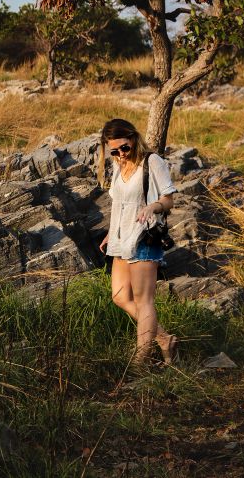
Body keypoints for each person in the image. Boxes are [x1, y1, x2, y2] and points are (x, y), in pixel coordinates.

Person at [97, 118, 178, 364]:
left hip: (144, 236)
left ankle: (140, 361)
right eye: (114, 150)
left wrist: (154, 207)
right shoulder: (118, 164)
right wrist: (112, 232)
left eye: (124, 147)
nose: (120, 153)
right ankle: (164, 339)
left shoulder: (152, 161)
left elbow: (169, 199)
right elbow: (120, 203)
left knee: (145, 301)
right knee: (120, 296)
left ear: (133, 139)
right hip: (121, 238)